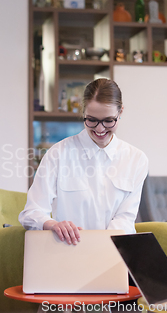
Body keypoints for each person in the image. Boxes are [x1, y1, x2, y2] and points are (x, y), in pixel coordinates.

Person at [19, 78, 148, 245]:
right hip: (68, 251)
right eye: (92, 120)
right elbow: (31, 213)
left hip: (114, 251)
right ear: (83, 113)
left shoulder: (136, 160)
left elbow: (125, 219)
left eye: (109, 120)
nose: (100, 129)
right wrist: (53, 225)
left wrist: (101, 247)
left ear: (120, 112)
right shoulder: (58, 154)